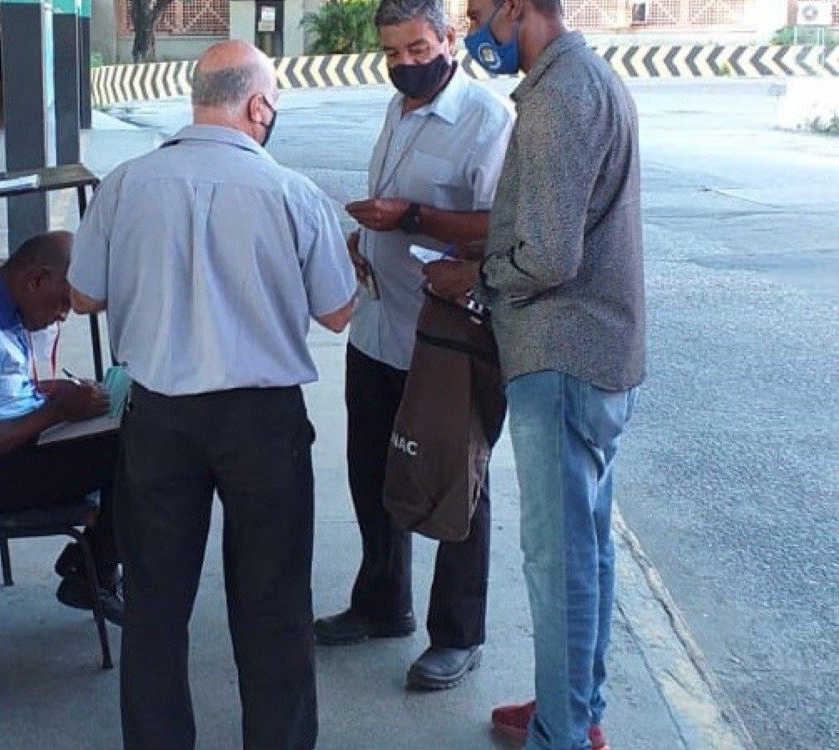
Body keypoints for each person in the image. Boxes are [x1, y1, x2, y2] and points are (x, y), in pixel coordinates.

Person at [70, 40, 356, 750]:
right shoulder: (293, 193)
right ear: (259, 105)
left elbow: (82, 295)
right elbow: (337, 312)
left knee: (157, 606)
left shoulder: (125, 185)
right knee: (273, 602)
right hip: (263, 424)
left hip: (158, 417)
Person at [432, 0, 646, 747]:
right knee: (584, 547)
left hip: (561, 355)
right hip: (597, 353)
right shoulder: (589, 78)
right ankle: (574, 711)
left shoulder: (557, 98)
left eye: (482, 13)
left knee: (558, 562)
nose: (476, 31)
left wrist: (479, 278)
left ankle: (562, 730)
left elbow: (551, 257)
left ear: (520, 9)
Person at [311, 0, 514, 692]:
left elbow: (502, 226)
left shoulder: (488, 122)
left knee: (456, 482)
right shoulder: (397, 110)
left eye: (418, 49)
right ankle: (380, 602)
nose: (405, 64)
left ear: (449, 40)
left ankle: (457, 636)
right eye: (393, 53)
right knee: (371, 473)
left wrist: (413, 219)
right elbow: (388, 199)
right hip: (378, 325)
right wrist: (362, 239)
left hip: (448, 337)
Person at [0, 232, 124, 624]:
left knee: (135, 430)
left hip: (18, 446)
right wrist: (57, 412)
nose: (63, 315)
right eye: (63, 302)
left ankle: (94, 567)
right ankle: (92, 571)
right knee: (136, 448)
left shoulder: (3, 308)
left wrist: (59, 395)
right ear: (36, 279)